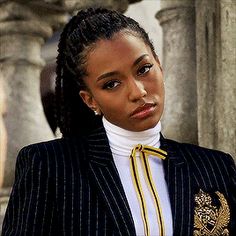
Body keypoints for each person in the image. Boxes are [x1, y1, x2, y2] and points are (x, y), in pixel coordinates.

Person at [2, 7, 235, 236]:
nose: (138, 92)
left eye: (144, 69)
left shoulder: (215, 167)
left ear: (159, 64)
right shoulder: (49, 167)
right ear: (90, 100)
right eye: (111, 84)